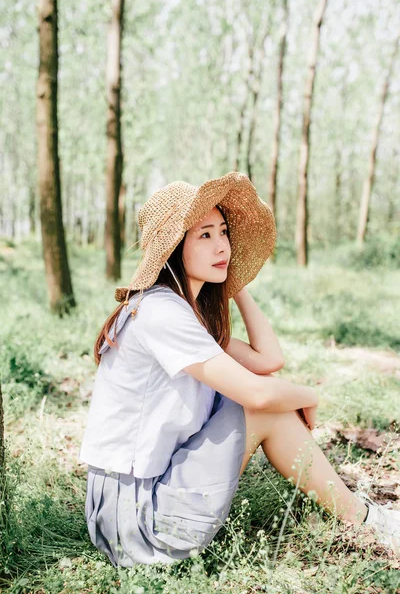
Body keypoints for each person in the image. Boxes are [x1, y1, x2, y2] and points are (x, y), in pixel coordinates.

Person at [79, 171, 400, 567]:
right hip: (138, 520)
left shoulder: (185, 313)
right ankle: (363, 518)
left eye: (224, 232)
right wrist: (310, 395)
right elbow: (259, 393)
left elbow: (268, 360)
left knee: (262, 397)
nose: (222, 245)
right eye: (205, 235)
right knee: (259, 404)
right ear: (174, 249)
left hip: (145, 498)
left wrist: (235, 283)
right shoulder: (160, 312)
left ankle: (361, 515)